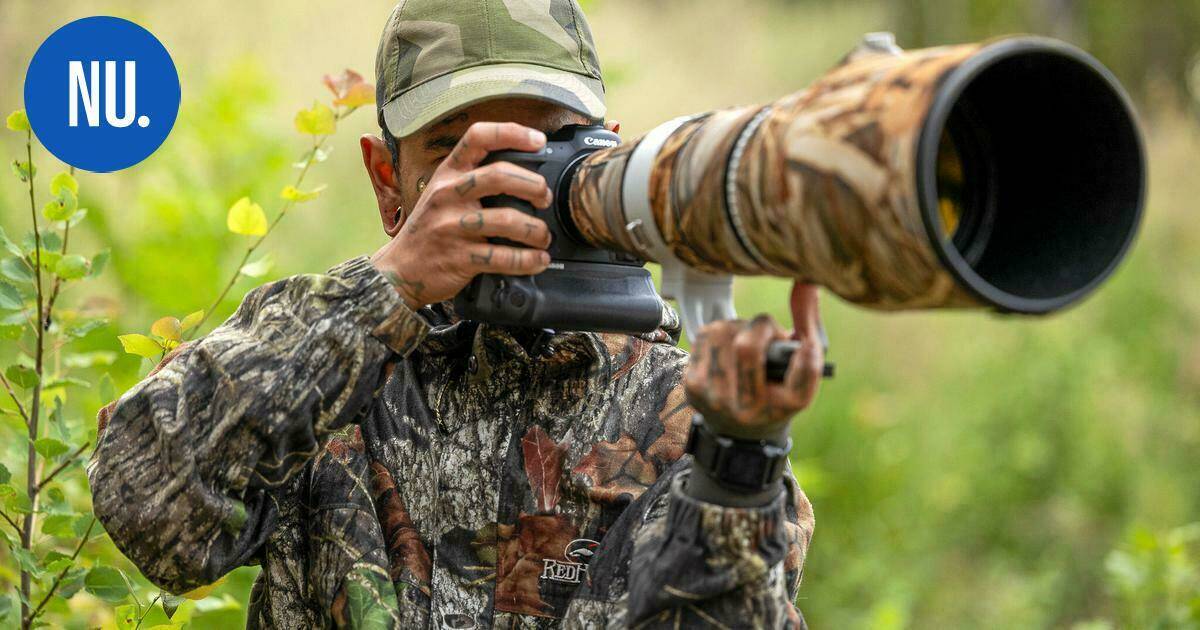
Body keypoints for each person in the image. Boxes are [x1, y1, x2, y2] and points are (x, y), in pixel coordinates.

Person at [88, 1, 826, 627]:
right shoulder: (321, 368)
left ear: (602, 160)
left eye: (544, 147)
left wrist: (739, 461)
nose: (505, 187)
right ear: (388, 180)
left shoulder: (676, 405)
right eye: (457, 153)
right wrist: (387, 289)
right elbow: (146, 509)